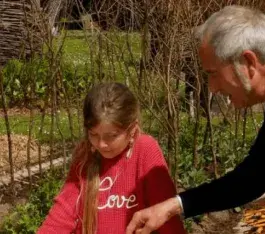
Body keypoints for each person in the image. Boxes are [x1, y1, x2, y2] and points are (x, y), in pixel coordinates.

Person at [126, 5, 265, 234]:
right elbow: (253, 177)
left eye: (213, 74)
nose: (212, 88)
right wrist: (173, 206)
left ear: (248, 63)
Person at [37, 82, 186, 234]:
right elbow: (62, 214)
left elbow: (166, 216)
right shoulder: (85, 155)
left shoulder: (146, 150)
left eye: (111, 136)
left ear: (132, 130)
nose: (101, 144)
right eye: (93, 134)